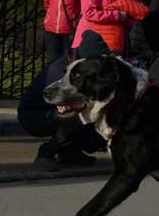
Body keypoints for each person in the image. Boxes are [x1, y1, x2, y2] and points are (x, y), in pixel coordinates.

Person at [18, 31, 110, 171]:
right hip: (35, 116)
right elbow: (67, 106)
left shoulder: (77, 64)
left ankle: (69, 152)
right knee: (79, 116)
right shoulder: (61, 71)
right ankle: (46, 153)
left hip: (52, 109)